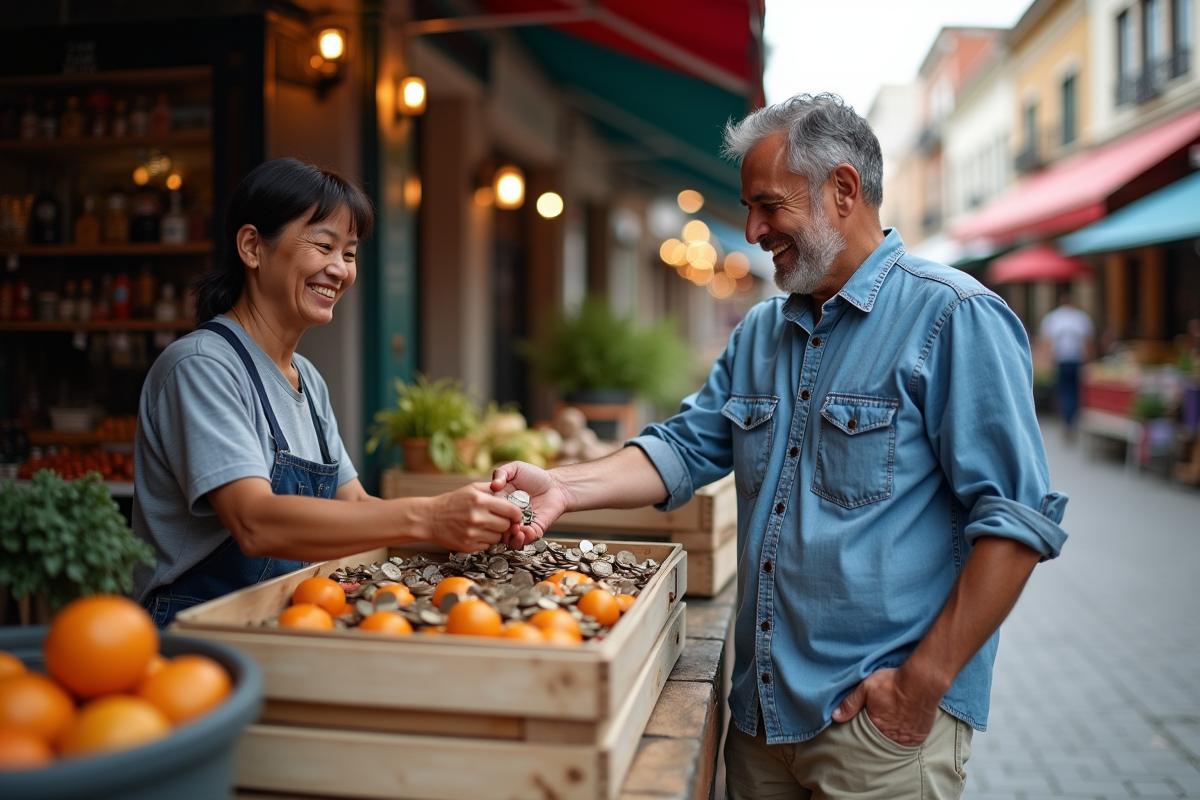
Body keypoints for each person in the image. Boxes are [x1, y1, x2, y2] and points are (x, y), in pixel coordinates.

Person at [492, 94, 1068, 799]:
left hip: (876, 733)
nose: (753, 229)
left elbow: (1016, 520)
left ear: (844, 190)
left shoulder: (953, 317)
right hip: (761, 723)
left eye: (767, 204)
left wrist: (923, 683)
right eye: (749, 206)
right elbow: (682, 446)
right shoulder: (761, 333)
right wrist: (565, 487)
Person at [132, 158, 522, 627]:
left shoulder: (309, 380)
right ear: (253, 246)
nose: (339, 270)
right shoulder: (202, 366)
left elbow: (354, 505)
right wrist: (430, 516)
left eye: (351, 253)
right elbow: (255, 521)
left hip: (289, 622)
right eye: (323, 246)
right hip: (198, 637)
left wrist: (472, 522)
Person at [1038, 293, 1095, 433]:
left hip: (1062, 360)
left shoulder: (1053, 318)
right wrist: (1090, 360)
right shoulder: (1081, 318)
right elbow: (1087, 342)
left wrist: (1046, 360)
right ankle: (1071, 417)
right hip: (1076, 359)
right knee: (1074, 390)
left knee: (1064, 390)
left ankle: (1067, 418)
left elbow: (1047, 342)